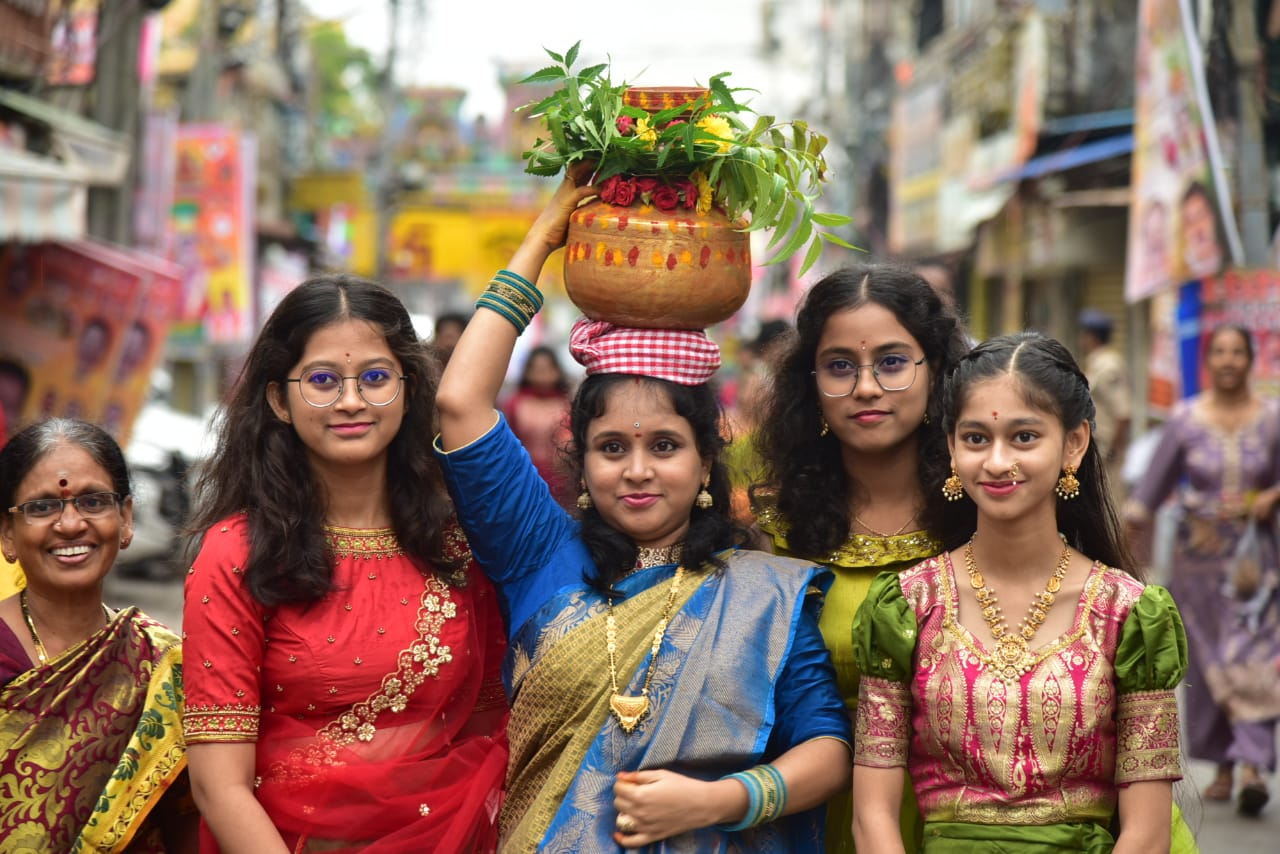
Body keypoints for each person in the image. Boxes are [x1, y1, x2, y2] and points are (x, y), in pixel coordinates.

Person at [433, 171, 851, 851]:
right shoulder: (537, 550)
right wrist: (543, 235)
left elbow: (826, 748)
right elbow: (460, 404)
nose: (636, 470)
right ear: (581, 459)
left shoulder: (761, 591)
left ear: (707, 459)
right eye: (610, 448)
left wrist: (718, 800)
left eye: (664, 446)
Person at [181, 275, 509, 853]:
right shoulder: (237, 553)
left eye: (376, 378)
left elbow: (486, 729)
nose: (352, 401)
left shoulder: (455, 541)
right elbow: (219, 786)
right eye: (323, 381)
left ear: (409, 391)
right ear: (279, 399)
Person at [851, 332, 1190, 852]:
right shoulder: (906, 606)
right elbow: (872, 816)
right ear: (950, 447)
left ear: (1074, 443)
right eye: (976, 439)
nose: (996, 462)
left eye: (1024, 437)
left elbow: (1146, 834)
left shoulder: (1130, 615)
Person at [750, 264, 969, 853]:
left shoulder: (984, 513)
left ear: (937, 373)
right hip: (809, 816)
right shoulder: (770, 533)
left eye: (893, 363)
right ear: (811, 383)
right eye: (840, 366)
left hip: (969, 820)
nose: (866, 387)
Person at [0, 418, 193, 851]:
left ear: (125, 519)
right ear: (6, 533)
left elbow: (185, 824)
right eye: (42, 506)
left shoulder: (162, 663)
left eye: (93, 502)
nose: (70, 524)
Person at [1125, 324, 1280, 817]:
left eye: (1239, 352)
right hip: (1196, 563)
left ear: (1251, 360)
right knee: (1209, 659)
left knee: (1255, 653)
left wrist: (1271, 496)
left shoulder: (1273, 419)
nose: (1230, 360)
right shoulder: (1186, 420)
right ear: (1208, 361)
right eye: (1221, 352)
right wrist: (1120, 542)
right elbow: (1149, 490)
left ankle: (1253, 763)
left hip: (1254, 565)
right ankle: (1226, 765)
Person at [502, 344, 573, 501]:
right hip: (524, 477)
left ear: (557, 370)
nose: (542, 373)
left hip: (562, 480)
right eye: (537, 368)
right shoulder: (514, 404)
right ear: (527, 371)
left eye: (547, 368)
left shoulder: (569, 404)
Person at [1077, 308, 1132, 501]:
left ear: (1092, 337)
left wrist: (1113, 453)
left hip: (1107, 450)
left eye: (1084, 334)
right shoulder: (1096, 363)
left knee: (1108, 502)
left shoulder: (1109, 366)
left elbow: (1123, 414)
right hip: (1098, 449)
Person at [1180, 180, 1226, 280]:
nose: (1197, 227)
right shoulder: (1180, 275)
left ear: (1213, 217)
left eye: (1201, 215)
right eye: (1189, 221)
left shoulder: (1230, 258)